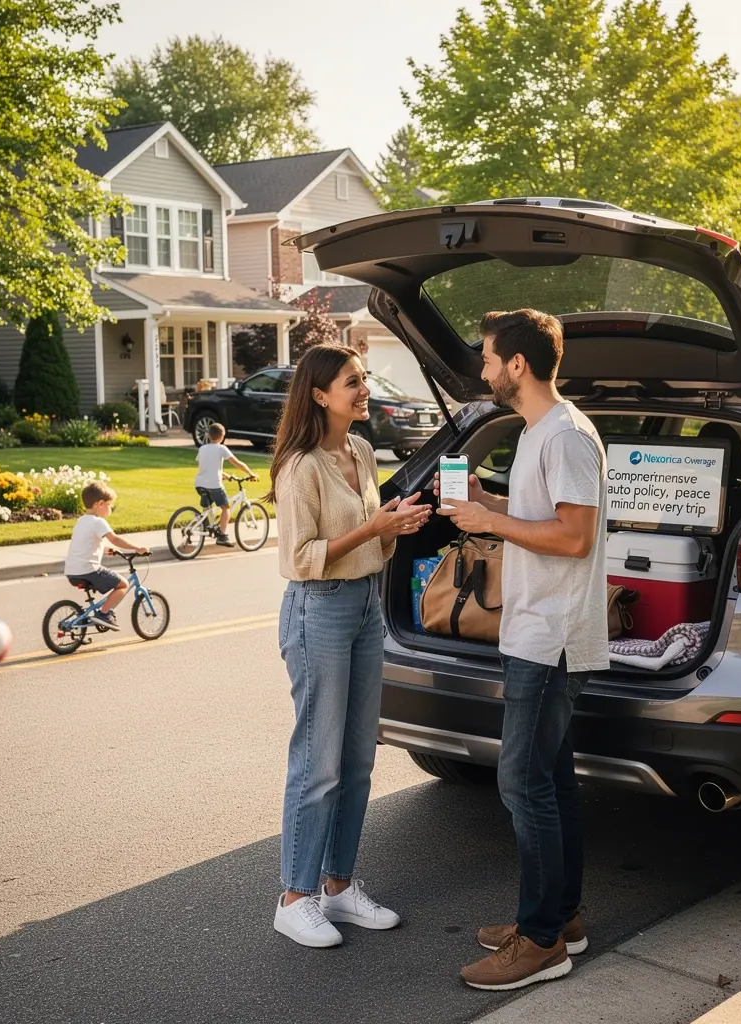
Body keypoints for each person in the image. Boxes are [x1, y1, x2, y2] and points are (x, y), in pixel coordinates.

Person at [436, 309, 608, 991]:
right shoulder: (541, 434)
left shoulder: (565, 436)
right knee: (551, 779)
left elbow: (575, 538)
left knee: (520, 782)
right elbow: (547, 516)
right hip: (535, 630)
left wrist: (489, 521)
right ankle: (561, 919)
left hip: (552, 637)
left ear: (517, 365)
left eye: (487, 358)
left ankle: (538, 942)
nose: (482, 368)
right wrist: (489, 498)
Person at [267, 343, 432, 948]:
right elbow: (299, 558)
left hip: (364, 605)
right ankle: (294, 896)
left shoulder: (360, 451)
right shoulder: (300, 466)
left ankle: (337, 888)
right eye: (351, 383)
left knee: (359, 758)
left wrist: (393, 525)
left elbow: (367, 542)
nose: (364, 391)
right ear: (319, 395)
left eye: (363, 380)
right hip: (319, 613)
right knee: (319, 762)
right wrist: (373, 528)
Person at [64, 481, 150, 630]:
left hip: (72, 571)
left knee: (110, 584)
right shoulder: (99, 522)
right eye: (110, 505)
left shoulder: (81, 521)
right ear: (100, 504)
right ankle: (104, 614)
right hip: (89, 570)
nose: (111, 508)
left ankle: (84, 622)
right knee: (123, 584)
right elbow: (115, 539)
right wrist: (137, 548)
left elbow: (86, 542)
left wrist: (104, 549)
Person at [195, 422, 258, 546]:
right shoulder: (221, 448)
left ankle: (208, 526)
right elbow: (237, 463)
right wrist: (251, 474)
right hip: (214, 485)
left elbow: (207, 468)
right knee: (225, 508)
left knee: (207, 507)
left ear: (208, 435)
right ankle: (222, 536)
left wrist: (227, 476)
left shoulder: (202, 448)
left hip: (200, 484)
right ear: (222, 436)